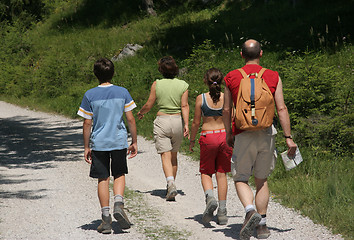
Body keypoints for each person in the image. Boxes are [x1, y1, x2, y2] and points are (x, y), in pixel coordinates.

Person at [223, 39, 297, 240]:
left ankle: (249, 211)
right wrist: (288, 137)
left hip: (242, 133)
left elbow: (227, 109)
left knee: (240, 177)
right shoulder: (273, 76)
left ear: (241, 55)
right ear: (261, 54)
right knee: (262, 179)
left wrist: (229, 133)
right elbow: (281, 108)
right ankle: (262, 226)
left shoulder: (232, 77)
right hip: (266, 133)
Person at [77, 58, 138, 234]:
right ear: (113, 73)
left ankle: (105, 219)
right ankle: (118, 203)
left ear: (95, 74)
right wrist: (134, 141)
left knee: (103, 178)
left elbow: (87, 123)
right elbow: (131, 118)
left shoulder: (90, 94)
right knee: (119, 173)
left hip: (99, 143)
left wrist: (86, 146)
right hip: (118, 141)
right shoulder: (123, 92)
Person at [137, 56, 189, 201]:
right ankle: (170, 187)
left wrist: (141, 112)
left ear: (161, 70)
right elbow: (184, 105)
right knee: (174, 155)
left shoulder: (157, 84)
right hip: (177, 121)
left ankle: (170, 183)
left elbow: (149, 104)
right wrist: (186, 124)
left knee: (165, 155)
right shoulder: (183, 85)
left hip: (162, 121)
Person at [189, 68, 233, 225]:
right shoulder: (227, 97)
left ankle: (210, 197)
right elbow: (232, 117)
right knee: (222, 173)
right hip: (224, 136)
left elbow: (195, 122)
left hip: (208, 136)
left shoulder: (201, 99)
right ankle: (222, 211)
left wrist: (192, 140)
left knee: (206, 172)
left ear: (205, 81)